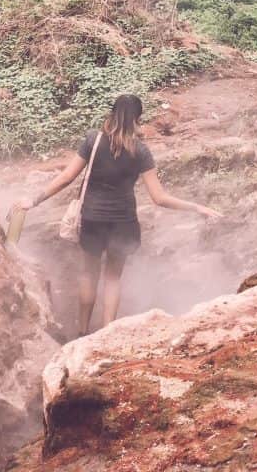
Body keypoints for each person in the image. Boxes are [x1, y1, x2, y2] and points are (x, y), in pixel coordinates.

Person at [16, 94, 223, 336]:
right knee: (113, 279)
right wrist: (198, 207)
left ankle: (81, 331)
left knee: (89, 274)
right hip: (123, 224)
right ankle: (107, 334)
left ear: (112, 113)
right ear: (137, 119)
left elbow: (66, 177)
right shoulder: (141, 152)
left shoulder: (93, 141)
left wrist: (34, 200)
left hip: (92, 220)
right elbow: (159, 198)